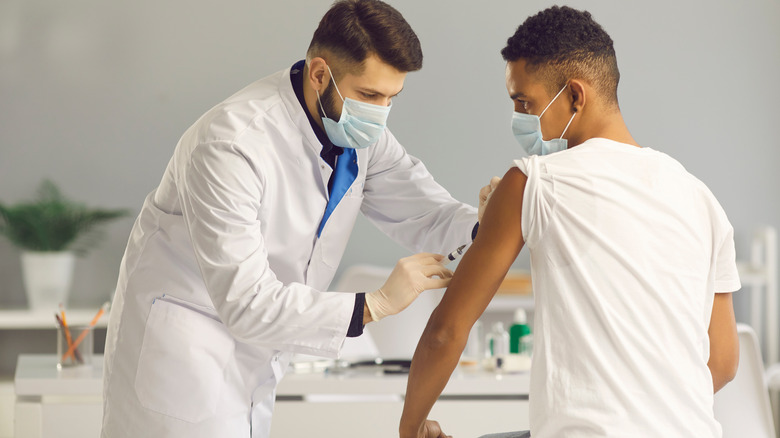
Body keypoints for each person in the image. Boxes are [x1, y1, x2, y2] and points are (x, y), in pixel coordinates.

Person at [100, 1, 499, 437]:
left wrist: (489, 222)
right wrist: (375, 304)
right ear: (319, 74)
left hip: (255, 363)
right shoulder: (231, 144)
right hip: (183, 365)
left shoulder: (360, 135)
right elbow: (246, 301)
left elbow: (424, 211)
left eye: (391, 98)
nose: (381, 113)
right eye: (369, 95)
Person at [400, 6, 740, 438]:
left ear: (575, 96)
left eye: (525, 102)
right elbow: (725, 361)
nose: (519, 117)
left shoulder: (532, 181)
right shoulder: (701, 197)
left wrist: (410, 428)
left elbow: (445, 332)